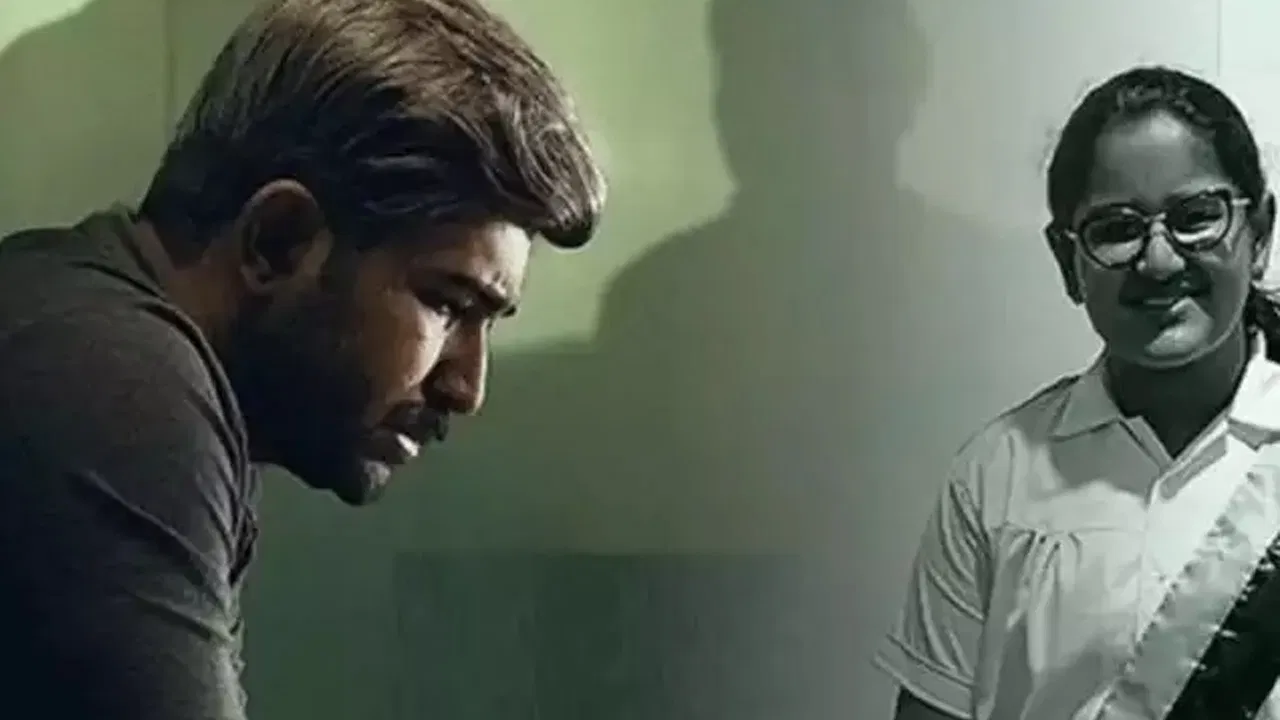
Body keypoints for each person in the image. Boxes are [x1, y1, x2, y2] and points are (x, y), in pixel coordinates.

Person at [0, 0, 604, 717]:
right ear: (278, 240)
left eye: (489, 323)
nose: (467, 387)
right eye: (447, 304)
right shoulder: (116, 392)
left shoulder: (84, 324)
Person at [875, 66, 1280, 719]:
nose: (1159, 260)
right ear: (1068, 262)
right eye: (1117, 228)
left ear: (1258, 233)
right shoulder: (998, 475)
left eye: (1196, 218)